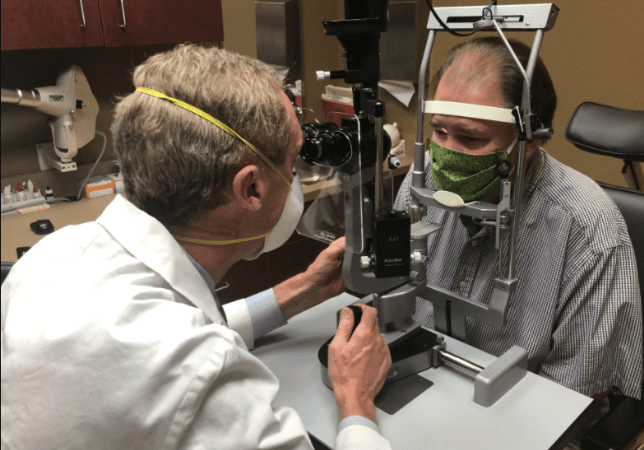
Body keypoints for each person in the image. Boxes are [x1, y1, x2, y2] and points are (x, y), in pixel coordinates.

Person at [1, 45, 392, 450]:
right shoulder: (198, 371)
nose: (295, 174)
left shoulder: (54, 253)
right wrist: (356, 400)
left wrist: (301, 290)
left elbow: (177, 330)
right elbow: (188, 357)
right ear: (251, 189)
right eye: (293, 161)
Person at [395, 37, 643, 400]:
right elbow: (395, 299)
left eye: (470, 137)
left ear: (530, 140)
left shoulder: (589, 231)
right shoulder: (424, 180)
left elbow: (570, 398)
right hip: (422, 381)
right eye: (439, 131)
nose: (446, 154)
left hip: (520, 409)